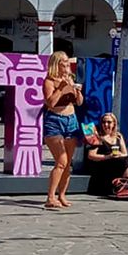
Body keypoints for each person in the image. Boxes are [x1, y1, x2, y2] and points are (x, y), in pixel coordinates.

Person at [42, 51, 83, 209]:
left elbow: (79, 102)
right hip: (55, 121)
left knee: (67, 164)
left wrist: (76, 91)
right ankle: (50, 197)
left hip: (71, 120)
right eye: (63, 63)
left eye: (67, 62)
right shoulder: (49, 81)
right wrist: (61, 88)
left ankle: (62, 195)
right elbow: (50, 103)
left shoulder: (70, 79)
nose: (66, 65)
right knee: (61, 161)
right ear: (56, 64)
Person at [86, 113, 128, 200]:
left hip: (118, 162)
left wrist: (120, 154)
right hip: (104, 163)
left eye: (109, 122)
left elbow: (125, 154)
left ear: (114, 124)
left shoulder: (118, 136)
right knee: (125, 161)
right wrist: (108, 156)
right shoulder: (97, 136)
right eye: (104, 122)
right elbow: (91, 155)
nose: (106, 125)